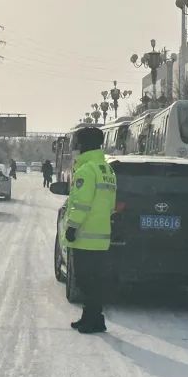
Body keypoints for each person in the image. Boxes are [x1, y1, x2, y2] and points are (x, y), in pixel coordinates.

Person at [63, 126, 116, 333]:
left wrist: (72, 227)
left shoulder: (86, 170)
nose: (75, 148)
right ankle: (92, 317)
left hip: (84, 236)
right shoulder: (107, 169)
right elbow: (110, 204)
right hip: (101, 236)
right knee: (95, 280)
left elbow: (81, 203)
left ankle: (93, 319)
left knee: (85, 281)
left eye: (76, 144)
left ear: (83, 145)